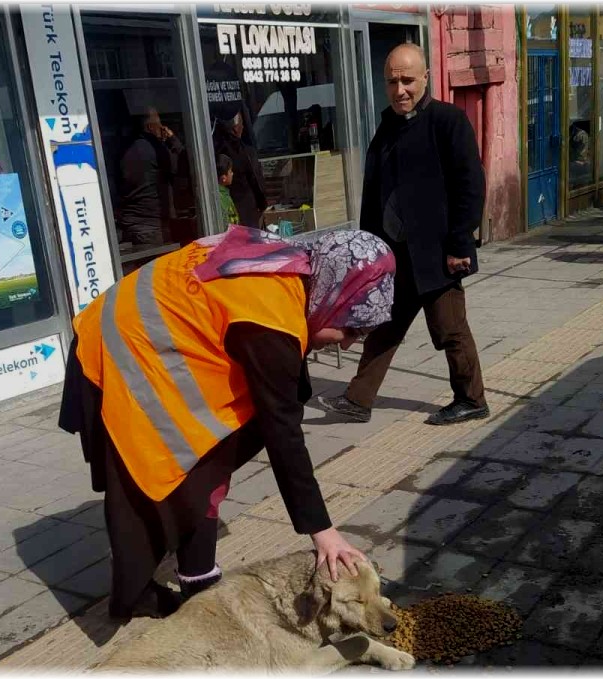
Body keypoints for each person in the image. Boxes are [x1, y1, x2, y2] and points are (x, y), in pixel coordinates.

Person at [58, 225, 397, 621]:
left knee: (205, 468)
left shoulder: (292, 267)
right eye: (350, 326)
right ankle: (137, 596)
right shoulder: (269, 316)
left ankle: (198, 580)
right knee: (156, 477)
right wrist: (322, 531)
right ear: (334, 294)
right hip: (117, 350)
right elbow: (283, 433)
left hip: (144, 339)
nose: (347, 343)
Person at [316, 43, 488, 427]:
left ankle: (471, 398)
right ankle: (358, 400)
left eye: (408, 80)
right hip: (395, 258)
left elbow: (471, 185)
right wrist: (366, 254)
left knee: (449, 329)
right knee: (383, 328)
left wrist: (460, 242)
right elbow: (373, 196)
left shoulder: (447, 122)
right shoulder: (386, 128)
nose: (400, 90)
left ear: (425, 78)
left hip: (438, 254)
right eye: (392, 81)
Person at [117, 107, 184, 248]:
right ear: (150, 127)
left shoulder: (126, 149)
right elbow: (183, 165)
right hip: (152, 224)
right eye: (159, 123)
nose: (162, 127)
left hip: (131, 222)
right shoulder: (155, 149)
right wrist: (172, 140)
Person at [212, 111, 267, 229]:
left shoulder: (212, 151)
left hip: (226, 208)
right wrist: (262, 203)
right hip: (246, 208)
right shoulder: (245, 151)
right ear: (236, 128)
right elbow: (256, 179)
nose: (243, 127)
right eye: (242, 124)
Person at [216, 154, 241, 227]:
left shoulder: (224, 193)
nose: (232, 174)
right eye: (230, 171)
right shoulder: (221, 198)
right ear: (224, 178)